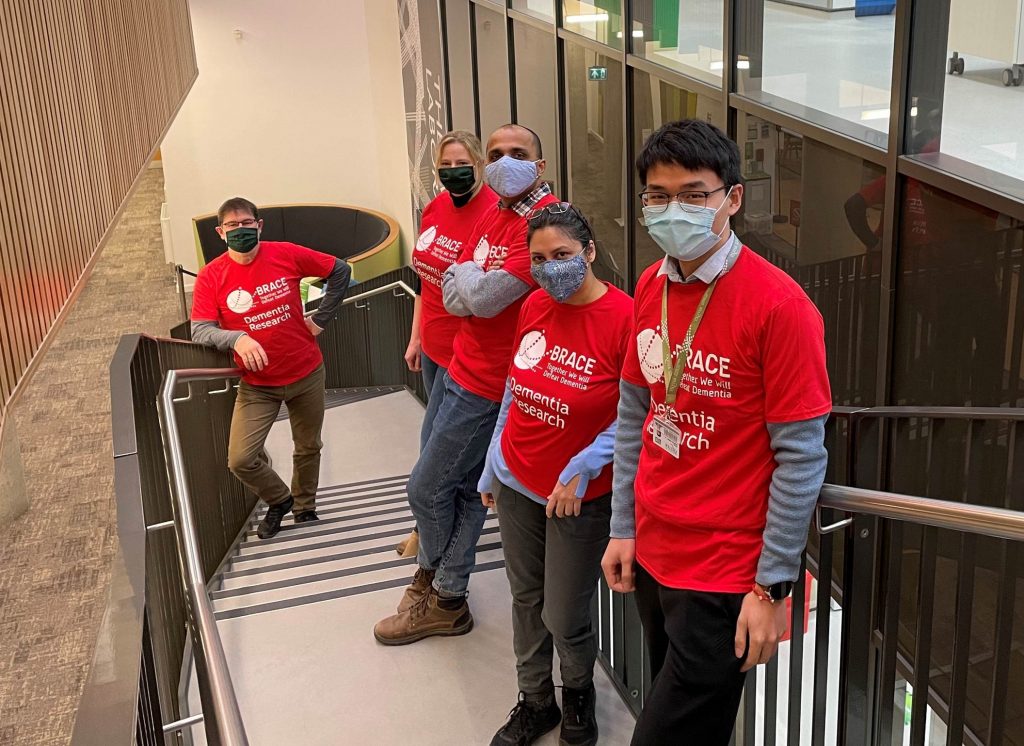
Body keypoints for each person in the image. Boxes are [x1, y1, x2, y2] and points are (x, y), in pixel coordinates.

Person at [600, 120, 831, 745]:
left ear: (732, 197)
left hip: (725, 573)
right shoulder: (651, 285)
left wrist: (770, 585)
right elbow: (634, 415)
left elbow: (802, 459)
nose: (674, 209)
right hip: (654, 551)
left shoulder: (780, 308)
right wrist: (624, 525)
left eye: (694, 194)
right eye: (658, 194)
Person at [373, 124, 559, 645]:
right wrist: (467, 283)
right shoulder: (499, 211)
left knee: (427, 487)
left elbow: (478, 299)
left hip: (491, 383)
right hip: (459, 363)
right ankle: (445, 592)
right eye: (498, 153)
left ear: (538, 166)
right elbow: (456, 282)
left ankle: (437, 583)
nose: (505, 163)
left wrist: (468, 282)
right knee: (457, 486)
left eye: (516, 154)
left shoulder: (543, 225)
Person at [479, 204, 632, 746]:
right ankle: (536, 700)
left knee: (564, 611)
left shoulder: (627, 319)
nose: (550, 269)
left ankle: (579, 696)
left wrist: (584, 464)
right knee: (525, 599)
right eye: (539, 259)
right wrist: (492, 462)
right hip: (518, 479)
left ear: (589, 251)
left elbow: (636, 414)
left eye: (563, 256)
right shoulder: (534, 307)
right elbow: (515, 390)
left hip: (579, 496)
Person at [190, 196, 351, 539]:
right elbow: (200, 328)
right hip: (257, 384)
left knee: (308, 445)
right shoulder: (211, 276)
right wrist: (238, 339)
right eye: (232, 225)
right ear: (220, 232)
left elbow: (340, 270)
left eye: (247, 223)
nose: (240, 230)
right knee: (240, 459)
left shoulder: (285, 253)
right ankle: (280, 499)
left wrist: (321, 319)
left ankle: (305, 509)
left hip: (306, 371)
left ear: (259, 225)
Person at [396, 130, 498, 559]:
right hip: (435, 348)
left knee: (443, 462)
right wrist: (416, 335)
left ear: (479, 166)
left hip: (468, 358)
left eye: (462, 165)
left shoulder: (492, 213)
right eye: (445, 166)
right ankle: (428, 529)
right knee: (431, 448)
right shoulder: (435, 207)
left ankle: (440, 554)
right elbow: (426, 277)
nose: (452, 172)